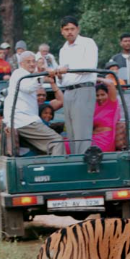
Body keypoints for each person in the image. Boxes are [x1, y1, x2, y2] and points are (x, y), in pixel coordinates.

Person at [49, 15, 98, 155]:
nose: (70, 32)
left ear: (78, 29)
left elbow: (89, 66)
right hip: (68, 91)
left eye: (72, 29)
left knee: (82, 131)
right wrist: (59, 75)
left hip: (83, 89)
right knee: (71, 132)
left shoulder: (88, 43)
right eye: (66, 29)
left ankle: (84, 164)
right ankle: (76, 160)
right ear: (62, 31)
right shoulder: (63, 49)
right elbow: (63, 79)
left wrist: (67, 69)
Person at [3, 51, 65, 156]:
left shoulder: (29, 76)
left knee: (46, 147)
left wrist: (47, 75)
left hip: (24, 121)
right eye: (28, 62)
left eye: (33, 61)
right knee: (56, 141)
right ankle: (58, 171)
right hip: (23, 121)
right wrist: (42, 76)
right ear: (21, 64)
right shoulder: (20, 73)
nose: (32, 64)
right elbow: (28, 87)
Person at [92, 78, 120, 152]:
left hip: (104, 140)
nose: (100, 97)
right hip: (92, 138)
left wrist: (96, 78)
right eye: (97, 95)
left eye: (103, 94)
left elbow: (110, 84)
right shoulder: (94, 106)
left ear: (108, 94)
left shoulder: (112, 103)